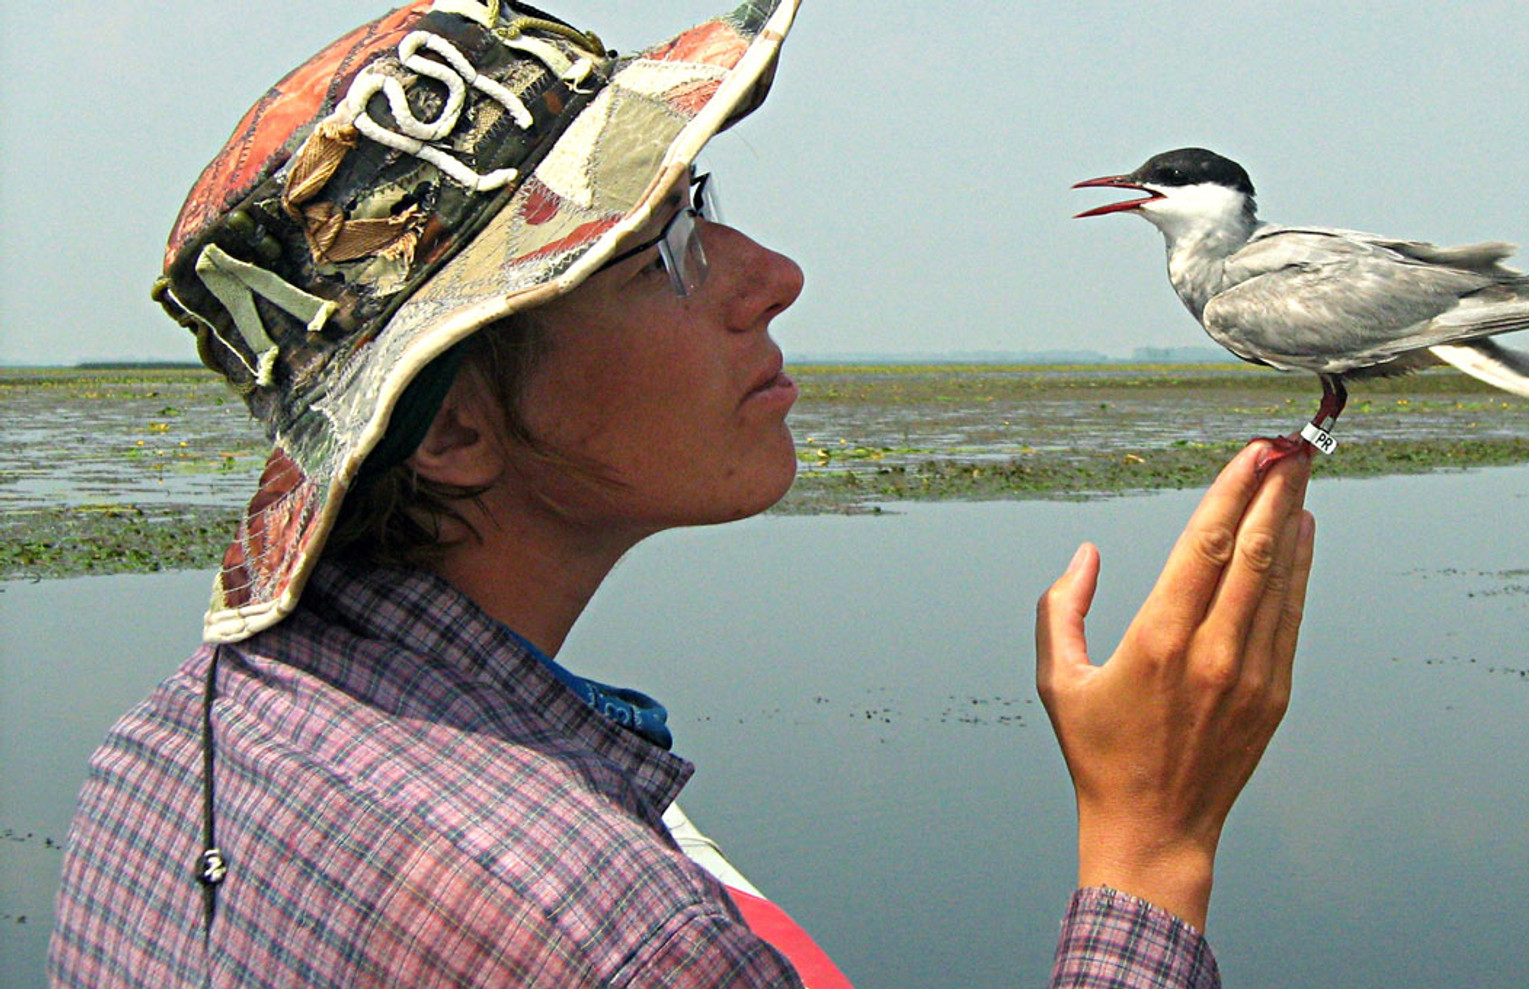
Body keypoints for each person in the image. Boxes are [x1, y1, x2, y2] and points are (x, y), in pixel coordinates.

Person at [48, 1, 1316, 985]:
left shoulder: (160, 745)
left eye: (700, 201)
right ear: (453, 428)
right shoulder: (618, 936)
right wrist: (1149, 842)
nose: (776, 276)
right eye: (658, 250)